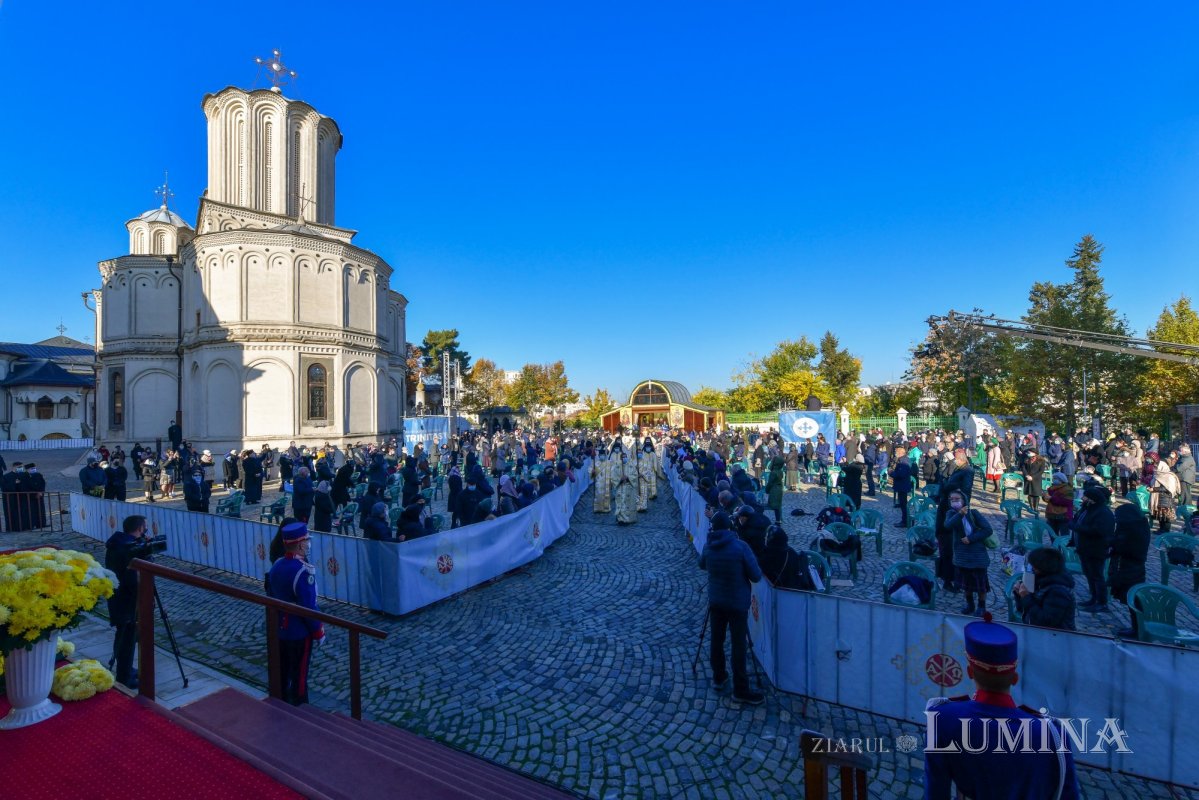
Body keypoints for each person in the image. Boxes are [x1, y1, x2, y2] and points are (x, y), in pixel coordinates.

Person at [924, 616, 1080, 799]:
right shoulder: (1053, 734)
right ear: (1015, 678)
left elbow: (936, 792)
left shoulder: (942, 719)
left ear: (969, 672)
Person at [699, 511, 764, 706]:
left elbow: (701, 564)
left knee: (717, 640)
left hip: (716, 601)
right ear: (730, 527)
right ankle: (740, 689)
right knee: (738, 645)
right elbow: (756, 575)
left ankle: (719, 677)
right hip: (736, 603)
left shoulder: (709, 546)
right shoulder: (740, 547)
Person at [266, 521, 326, 705]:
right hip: (298, 630)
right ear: (300, 543)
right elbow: (308, 606)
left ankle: (282, 699)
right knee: (300, 674)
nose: (308, 543)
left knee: (283, 670)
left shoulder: (277, 565)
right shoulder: (303, 570)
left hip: (281, 627)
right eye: (306, 540)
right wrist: (318, 630)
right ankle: (300, 704)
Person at [105, 514, 149, 690]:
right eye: (144, 527)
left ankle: (127, 669)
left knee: (124, 635)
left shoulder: (120, 543)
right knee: (127, 637)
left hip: (119, 598)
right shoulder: (127, 549)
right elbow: (133, 579)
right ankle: (124, 676)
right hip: (127, 601)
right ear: (140, 529)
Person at [945, 489, 992, 617]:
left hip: (977, 554)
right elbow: (948, 526)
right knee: (966, 584)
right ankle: (969, 604)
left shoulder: (974, 513)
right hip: (962, 555)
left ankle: (981, 606)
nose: (954, 501)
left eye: (957, 499)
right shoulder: (951, 514)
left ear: (964, 500)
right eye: (952, 499)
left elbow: (988, 530)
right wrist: (959, 513)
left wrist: (971, 538)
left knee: (981, 583)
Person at [1071, 484, 1115, 612]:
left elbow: (1099, 531)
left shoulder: (1103, 512)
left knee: (1097, 576)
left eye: (1085, 497)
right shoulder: (1087, 509)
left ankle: (1101, 602)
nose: (1083, 498)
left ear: (1092, 499)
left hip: (1096, 549)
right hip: (1084, 548)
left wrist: (1076, 528)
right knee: (1089, 574)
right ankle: (1093, 598)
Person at [1109, 503, 1151, 638]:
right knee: (1130, 598)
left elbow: (1130, 549)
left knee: (1134, 599)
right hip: (1126, 566)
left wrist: (1115, 545)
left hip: (1132, 568)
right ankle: (1136, 627)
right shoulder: (1131, 526)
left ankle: (1138, 629)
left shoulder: (1136, 530)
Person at [1013, 547, 1076, 630]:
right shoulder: (1040, 579)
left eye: (1033, 566)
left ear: (1042, 567)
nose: (1031, 568)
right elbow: (1023, 609)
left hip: (1056, 636)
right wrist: (1019, 594)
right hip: (1034, 628)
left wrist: (1026, 597)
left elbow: (1046, 622)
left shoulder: (1058, 592)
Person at [614, 453, 639, 525]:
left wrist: (628, 477)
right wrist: (620, 479)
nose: (624, 458)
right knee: (621, 503)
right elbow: (613, 477)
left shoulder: (631, 466)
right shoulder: (617, 467)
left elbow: (635, 475)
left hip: (629, 487)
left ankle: (629, 519)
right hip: (620, 487)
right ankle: (620, 519)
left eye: (625, 457)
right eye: (623, 457)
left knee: (628, 503)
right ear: (620, 458)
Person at [892, 446, 913, 525]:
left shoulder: (903, 461)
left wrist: (891, 473)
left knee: (903, 504)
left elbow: (901, 474)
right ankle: (905, 520)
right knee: (902, 503)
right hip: (902, 485)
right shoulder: (903, 459)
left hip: (902, 485)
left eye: (896, 452)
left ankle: (905, 521)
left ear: (900, 453)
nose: (895, 454)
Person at [765, 455, 785, 522]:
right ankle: (779, 519)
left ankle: (778, 520)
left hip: (774, 490)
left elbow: (770, 482)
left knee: (774, 506)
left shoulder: (773, 472)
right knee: (778, 506)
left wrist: (767, 490)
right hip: (779, 489)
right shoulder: (780, 471)